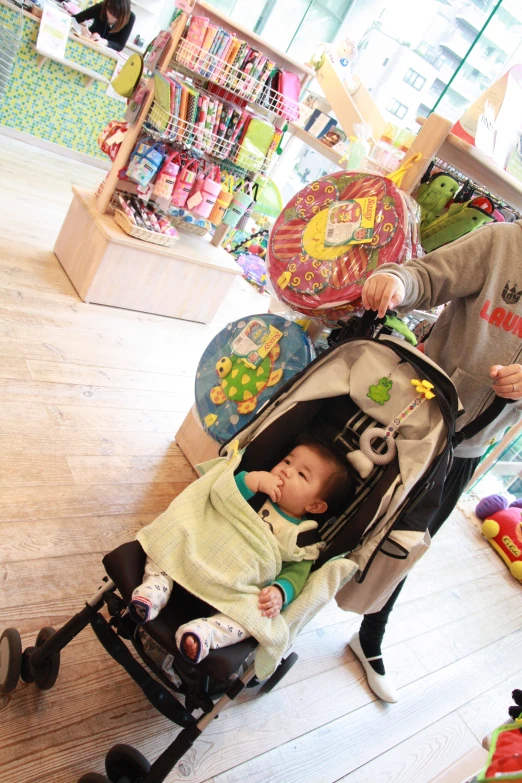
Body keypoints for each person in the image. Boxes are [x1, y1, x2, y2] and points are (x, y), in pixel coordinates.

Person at [348, 221, 522, 703]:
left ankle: (371, 634)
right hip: (410, 419)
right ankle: (282, 610)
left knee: (403, 548)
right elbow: (426, 277)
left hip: (465, 451)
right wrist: (396, 282)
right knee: (343, 514)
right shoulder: (503, 242)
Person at [129, 439, 352, 663]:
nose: (286, 471)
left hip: (237, 586)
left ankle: (206, 633)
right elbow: (220, 494)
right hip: (201, 550)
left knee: (259, 617)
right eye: (287, 461)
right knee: (174, 533)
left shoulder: (303, 538)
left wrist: (280, 591)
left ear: (314, 506)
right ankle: (155, 588)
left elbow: (297, 573)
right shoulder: (256, 490)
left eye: (302, 475)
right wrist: (251, 480)